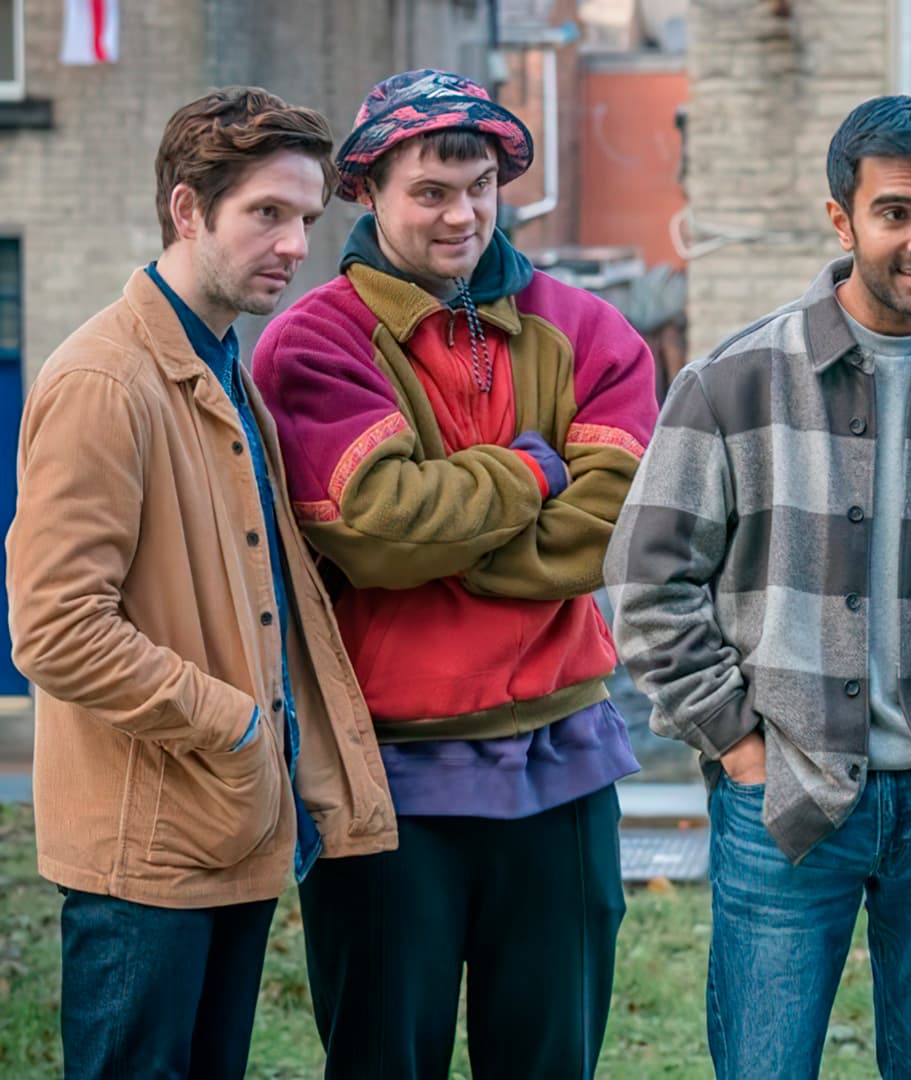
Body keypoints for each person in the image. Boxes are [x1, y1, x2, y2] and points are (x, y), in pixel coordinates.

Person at [606, 95, 911, 1078]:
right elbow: (646, 582)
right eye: (897, 212)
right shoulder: (731, 384)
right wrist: (735, 742)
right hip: (785, 792)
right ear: (840, 219)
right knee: (765, 1065)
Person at [251, 70, 657, 1077]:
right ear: (368, 191)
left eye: (479, 188)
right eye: (430, 192)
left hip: (563, 765)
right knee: (384, 1060)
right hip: (386, 774)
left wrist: (448, 540)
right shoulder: (312, 343)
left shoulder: (593, 331)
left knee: (550, 1060)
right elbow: (376, 527)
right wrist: (533, 471)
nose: (462, 215)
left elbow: (619, 524)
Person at [6, 88, 396, 1080]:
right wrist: (235, 726)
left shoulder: (222, 367)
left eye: (305, 217)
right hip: (145, 855)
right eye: (267, 213)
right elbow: (54, 628)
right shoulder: (105, 380)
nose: (295, 244)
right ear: (188, 210)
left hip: (231, 830)